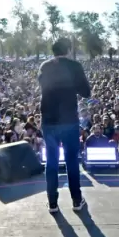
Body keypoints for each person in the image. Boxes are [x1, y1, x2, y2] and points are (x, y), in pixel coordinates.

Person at [38, 38, 91, 214]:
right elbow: (86, 92)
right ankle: (76, 200)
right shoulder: (74, 66)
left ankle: (52, 203)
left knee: (51, 162)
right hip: (68, 120)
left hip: (49, 120)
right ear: (68, 49)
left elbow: (44, 87)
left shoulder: (45, 66)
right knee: (71, 161)